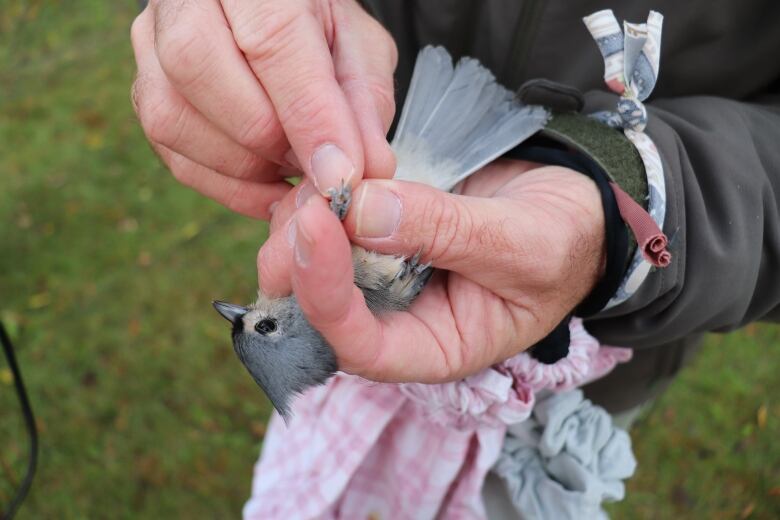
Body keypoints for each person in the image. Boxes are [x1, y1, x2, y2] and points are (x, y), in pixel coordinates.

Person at [130, 0, 780, 506]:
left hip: (607, 359)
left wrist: (627, 199)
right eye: (258, 320)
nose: (244, 304)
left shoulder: (326, 289)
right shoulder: (352, 296)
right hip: (539, 305)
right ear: (289, 333)